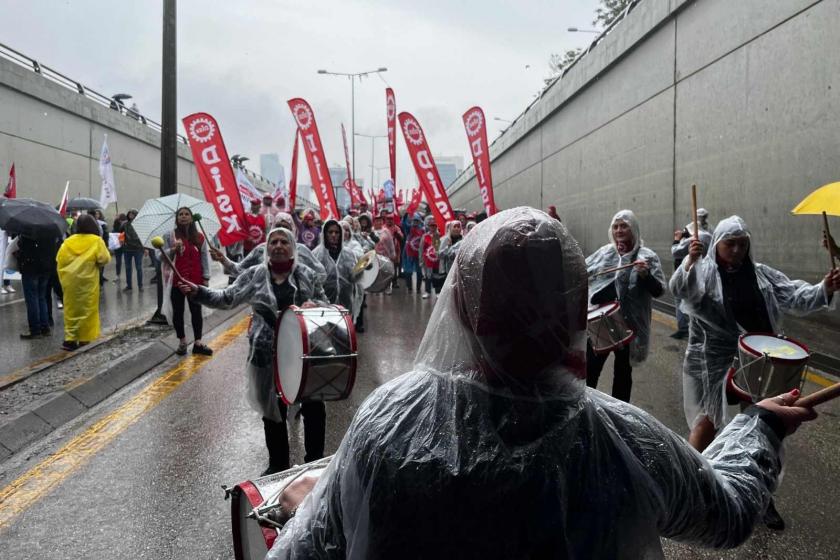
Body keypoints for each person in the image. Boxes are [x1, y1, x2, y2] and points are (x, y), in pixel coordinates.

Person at [268, 207, 817, 559]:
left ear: (460, 304)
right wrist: (762, 426)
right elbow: (727, 515)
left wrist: (315, 503)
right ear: (580, 312)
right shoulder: (625, 440)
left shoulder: (389, 425)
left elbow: (300, 553)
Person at [670, 215, 838, 530]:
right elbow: (681, 291)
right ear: (716, 245)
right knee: (707, 423)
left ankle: (760, 497)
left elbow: (795, 296)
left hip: (760, 360)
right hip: (715, 361)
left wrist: (824, 287)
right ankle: (687, 486)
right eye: (729, 244)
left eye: (742, 244)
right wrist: (690, 261)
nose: (736, 250)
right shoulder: (703, 274)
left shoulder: (761, 275)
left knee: (761, 430)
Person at [181, 227, 327, 474]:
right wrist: (198, 291)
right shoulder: (255, 275)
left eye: (284, 242)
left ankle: (314, 464)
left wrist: (316, 305)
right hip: (265, 354)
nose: (278, 246)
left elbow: (326, 304)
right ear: (267, 248)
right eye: (273, 242)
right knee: (272, 411)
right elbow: (227, 298)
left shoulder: (307, 275)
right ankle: (278, 465)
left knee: (313, 407)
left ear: (293, 247)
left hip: (304, 354)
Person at [585, 210, 665, 403]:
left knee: (622, 374)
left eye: (624, 226)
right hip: (601, 322)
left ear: (634, 229)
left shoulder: (647, 257)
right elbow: (582, 271)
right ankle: (585, 410)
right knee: (590, 370)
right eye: (615, 226)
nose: (619, 230)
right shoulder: (604, 253)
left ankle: (620, 415)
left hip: (629, 326)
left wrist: (645, 275)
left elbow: (658, 290)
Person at [162, 207, 213, 356]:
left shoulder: (199, 237)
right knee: (178, 312)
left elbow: (204, 258)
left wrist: (206, 278)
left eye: (186, 214)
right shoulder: (169, 236)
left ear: (191, 218)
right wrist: (172, 249)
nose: (183, 217)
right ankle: (182, 342)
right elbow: (160, 256)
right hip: (177, 281)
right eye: (180, 215)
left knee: (196, 312)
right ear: (176, 218)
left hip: (196, 281)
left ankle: (197, 343)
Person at [56, 214, 111, 351]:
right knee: (87, 310)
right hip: (88, 282)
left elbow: (60, 259)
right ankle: (84, 339)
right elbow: (104, 259)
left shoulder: (68, 242)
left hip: (70, 282)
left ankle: (70, 339)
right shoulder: (96, 241)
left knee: (71, 309)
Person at [670, 208, 712, 339]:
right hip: (706, 275)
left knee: (681, 301)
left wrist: (677, 239)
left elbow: (675, 251)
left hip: (690, 273)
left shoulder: (697, 236)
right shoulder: (712, 232)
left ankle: (684, 329)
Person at [15, 233, 60, 339]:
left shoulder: (28, 232)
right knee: (42, 297)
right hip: (46, 268)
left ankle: (35, 329)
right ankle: (45, 327)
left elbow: (24, 249)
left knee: (32, 299)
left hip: (31, 268)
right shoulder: (50, 230)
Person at [312, 219, 360, 316]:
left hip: (346, 303)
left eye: (337, 232)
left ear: (341, 234)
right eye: (330, 232)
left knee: (344, 329)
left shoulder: (348, 254)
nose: (333, 235)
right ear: (325, 234)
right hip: (324, 306)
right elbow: (314, 281)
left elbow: (354, 276)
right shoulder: (316, 254)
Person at [120, 209, 144, 291]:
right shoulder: (125, 224)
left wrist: (146, 249)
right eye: (129, 214)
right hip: (127, 249)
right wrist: (122, 239)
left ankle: (140, 285)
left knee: (139, 268)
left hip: (138, 249)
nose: (131, 215)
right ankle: (129, 285)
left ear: (136, 215)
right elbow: (120, 232)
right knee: (128, 268)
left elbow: (143, 236)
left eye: (132, 214)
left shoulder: (140, 225)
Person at [418, 216, 442, 299]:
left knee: (437, 276)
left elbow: (440, 248)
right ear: (428, 226)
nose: (433, 227)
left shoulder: (439, 235)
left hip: (437, 261)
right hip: (427, 261)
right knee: (428, 276)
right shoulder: (425, 236)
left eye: (434, 226)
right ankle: (427, 291)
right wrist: (421, 261)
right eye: (431, 226)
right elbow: (421, 249)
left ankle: (438, 292)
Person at [402, 213, 424, 292]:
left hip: (418, 254)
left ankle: (418, 288)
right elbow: (404, 224)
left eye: (417, 221)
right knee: (408, 271)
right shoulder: (409, 228)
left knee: (419, 272)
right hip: (409, 253)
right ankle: (409, 287)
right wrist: (405, 215)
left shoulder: (422, 230)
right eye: (414, 220)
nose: (415, 222)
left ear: (419, 221)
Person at [111, 213, 127, 284]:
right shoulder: (119, 223)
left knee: (122, 261)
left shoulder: (125, 224)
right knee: (119, 261)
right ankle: (119, 275)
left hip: (121, 244)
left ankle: (120, 275)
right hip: (120, 244)